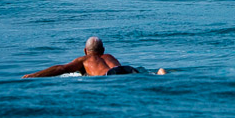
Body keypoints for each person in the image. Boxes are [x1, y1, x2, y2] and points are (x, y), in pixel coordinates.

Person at [22, 36, 165, 77]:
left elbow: (61, 68)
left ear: (85, 50)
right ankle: (159, 72)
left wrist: (34, 75)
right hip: (127, 69)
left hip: (109, 75)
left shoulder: (84, 59)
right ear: (103, 49)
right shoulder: (110, 56)